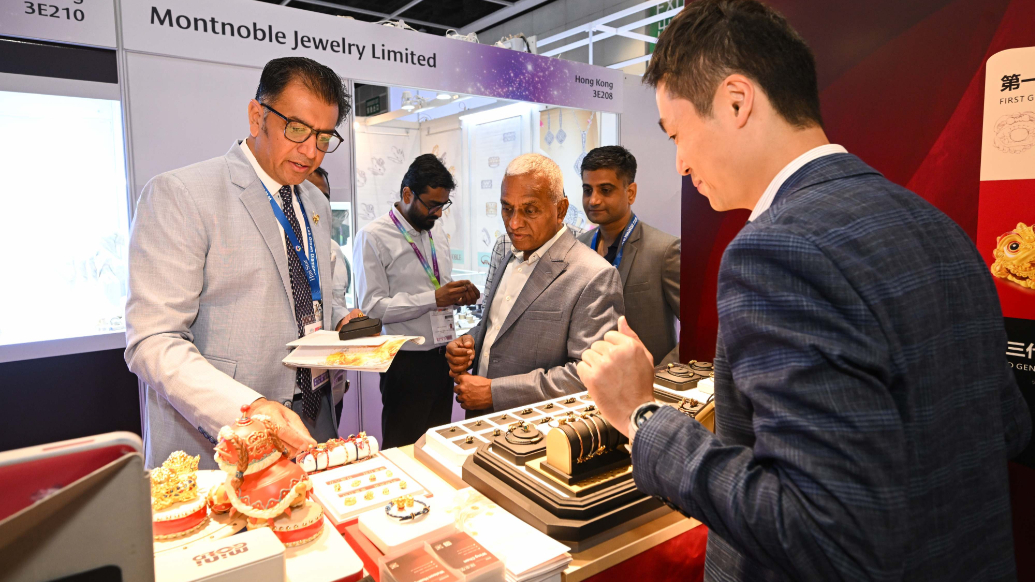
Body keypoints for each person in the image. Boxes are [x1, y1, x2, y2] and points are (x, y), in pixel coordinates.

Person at [577, 1, 1032, 580]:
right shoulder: (939, 226)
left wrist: (641, 415)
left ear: (737, 101)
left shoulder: (776, 251)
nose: (681, 163)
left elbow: (819, 531)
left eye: (677, 134)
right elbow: (1006, 427)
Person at [126, 57, 365, 469]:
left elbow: (304, 295)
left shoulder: (315, 202)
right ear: (257, 116)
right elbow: (153, 341)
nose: (311, 152)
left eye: (324, 137)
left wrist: (339, 319)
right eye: (297, 129)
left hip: (316, 412)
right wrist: (250, 407)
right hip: (225, 432)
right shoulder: (182, 194)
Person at [446, 154, 623, 415]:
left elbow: (588, 374)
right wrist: (470, 343)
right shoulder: (509, 254)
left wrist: (495, 393)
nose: (514, 224)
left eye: (530, 211)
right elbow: (500, 326)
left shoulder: (594, 275)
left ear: (561, 210)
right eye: (507, 209)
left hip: (538, 430)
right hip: (481, 421)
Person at [353, 154, 480, 448]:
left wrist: (458, 296)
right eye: (432, 205)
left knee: (437, 447)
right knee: (403, 448)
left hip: (444, 358)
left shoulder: (437, 233)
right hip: (405, 363)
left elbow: (438, 285)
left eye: (443, 205)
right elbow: (372, 308)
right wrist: (434, 298)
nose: (438, 213)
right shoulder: (373, 236)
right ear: (408, 194)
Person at [577, 146, 681, 366]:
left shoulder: (664, 250)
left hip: (646, 379)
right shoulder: (579, 248)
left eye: (605, 190)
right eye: (588, 190)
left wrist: (661, 375)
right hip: (586, 377)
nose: (593, 200)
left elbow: (696, 328)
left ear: (631, 192)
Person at [307, 166, 353, 424]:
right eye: (308, 193)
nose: (317, 204)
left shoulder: (334, 248)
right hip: (292, 391)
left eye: (324, 197)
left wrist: (344, 321)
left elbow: (334, 304)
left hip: (331, 384)